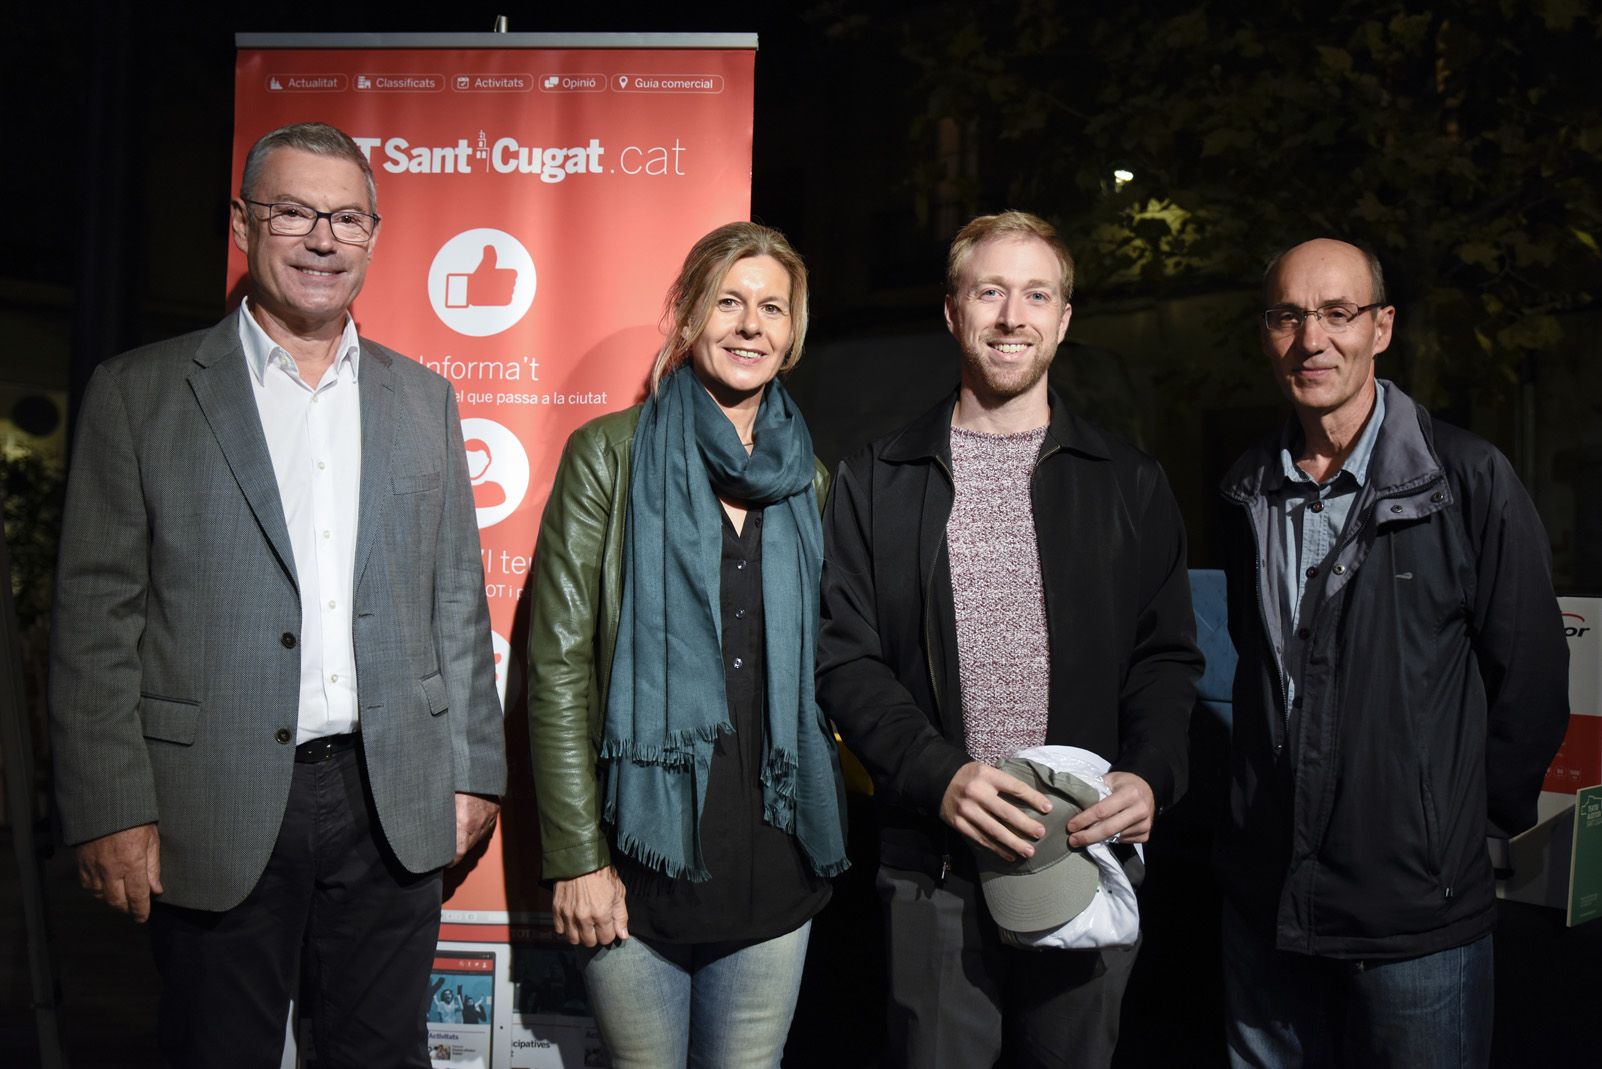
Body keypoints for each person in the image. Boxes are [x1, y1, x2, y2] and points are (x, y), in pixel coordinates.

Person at [49, 121, 506, 1068]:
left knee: (380, 1056)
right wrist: (107, 805)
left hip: (389, 794)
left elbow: (457, 599)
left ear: (374, 234)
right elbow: (96, 619)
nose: (322, 239)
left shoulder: (424, 398)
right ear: (243, 223)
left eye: (345, 217)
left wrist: (473, 769)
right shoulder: (140, 393)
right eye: (293, 211)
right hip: (207, 797)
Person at [815, 210, 1202, 1068]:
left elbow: (1166, 658)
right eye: (989, 291)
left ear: (1064, 318)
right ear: (952, 311)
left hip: (1084, 855)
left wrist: (1152, 772)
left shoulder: (1128, 483)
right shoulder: (878, 478)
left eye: (1036, 294)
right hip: (934, 871)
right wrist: (938, 773)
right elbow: (845, 656)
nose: (1011, 316)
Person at [1217, 238, 1570, 1067]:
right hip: (1266, 905)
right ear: (1267, 333)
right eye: (1289, 316)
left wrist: (1451, 837)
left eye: (1338, 314)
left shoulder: (1469, 477)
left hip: (1418, 919)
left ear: (1382, 327)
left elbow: (1530, 681)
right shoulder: (1245, 488)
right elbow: (1258, 670)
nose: (1313, 340)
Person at [526, 221, 849, 1067]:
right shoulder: (610, 455)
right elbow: (557, 666)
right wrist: (576, 856)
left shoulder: (808, 480)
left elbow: (827, 669)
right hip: (636, 861)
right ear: (690, 315)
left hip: (775, 859)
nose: (750, 325)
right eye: (729, 302)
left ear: (793, 330)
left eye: (772, 308)